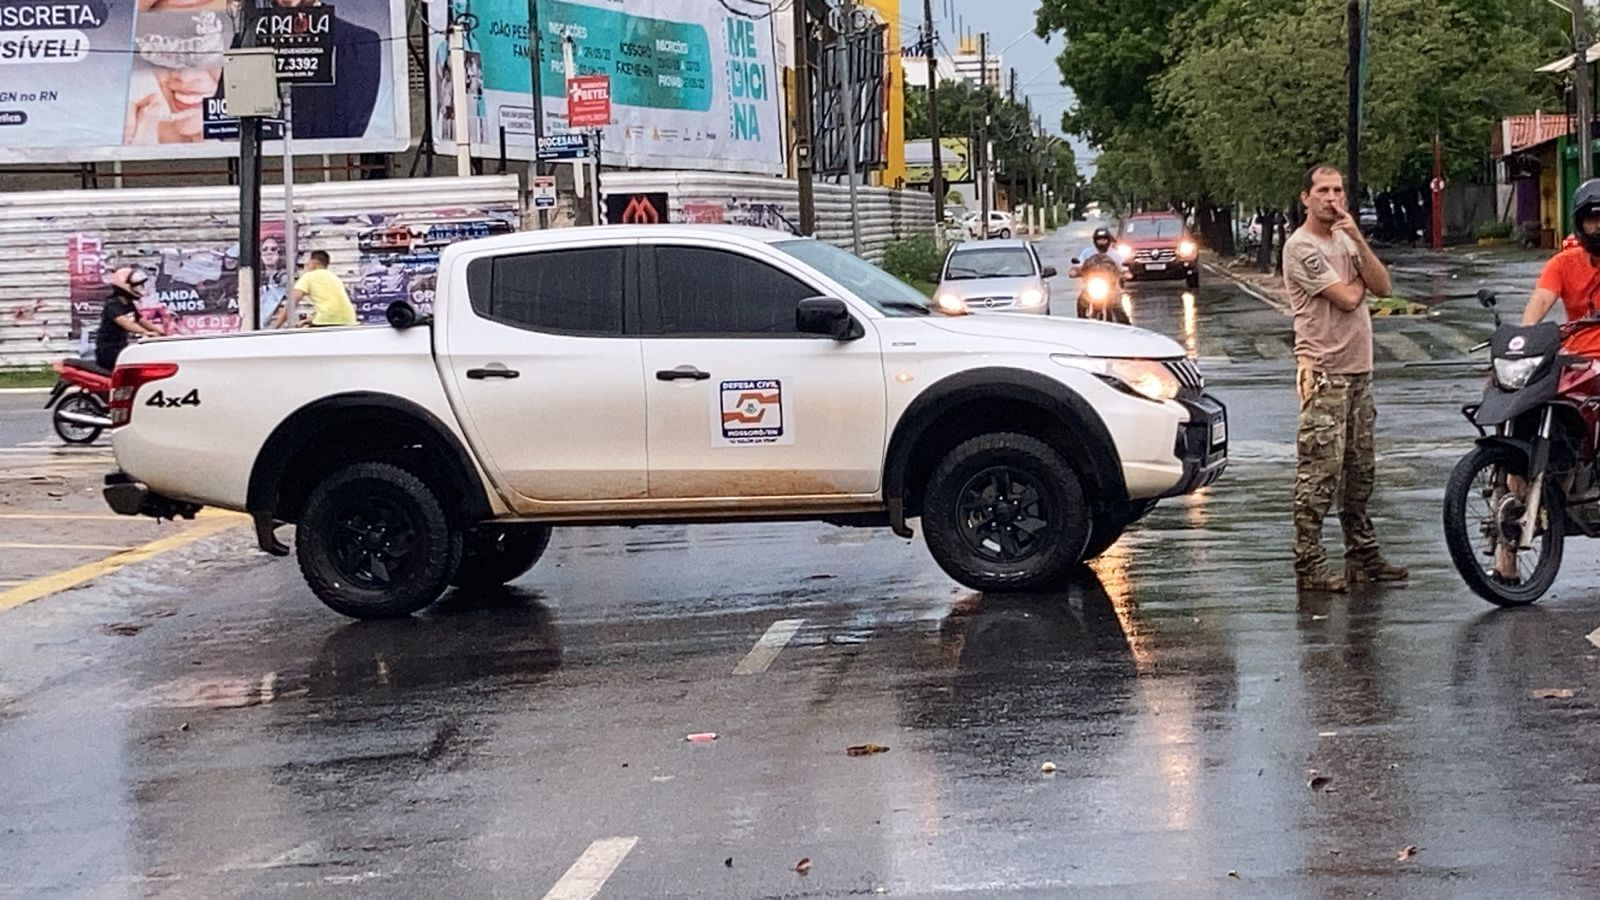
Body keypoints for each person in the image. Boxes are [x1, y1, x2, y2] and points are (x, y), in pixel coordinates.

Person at [1283, 163, 1408, 592]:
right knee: (1319, 474)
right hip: (1325, 373)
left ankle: (1362, 554)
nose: (1332, 198)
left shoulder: (1345, 239)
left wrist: (1357, 240)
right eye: (1322, 190)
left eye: (1338, 190)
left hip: (1359, 371)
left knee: (1360, 472)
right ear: (1306, 197)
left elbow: (1384, 286)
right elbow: (1349, 297)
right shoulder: (1301, 248)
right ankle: (1309, 563)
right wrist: (1358, 282)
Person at [94, 267, 165, 370]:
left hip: (121, 345)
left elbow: (140, 320)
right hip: (108, 349)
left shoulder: (127, 303)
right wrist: (145, 332)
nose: (139, 288)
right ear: (125, 286)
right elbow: (125, 322)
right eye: (136, 286)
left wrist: (159, 331)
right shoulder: (113, 304)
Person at [278, 249, 357, 327]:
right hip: (349, 321)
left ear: (313, 263)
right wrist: (310, 320)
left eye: (308, 261)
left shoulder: (309, 276)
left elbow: (291, 304)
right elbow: (332, 307)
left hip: (327, 321)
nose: (306, 264)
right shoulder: (334, 278)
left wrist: (274, 328)